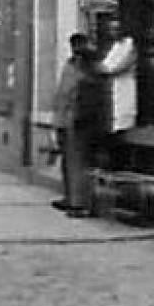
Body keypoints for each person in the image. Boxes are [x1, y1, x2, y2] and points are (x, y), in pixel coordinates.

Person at [51, 33, 98, 217]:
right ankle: (70, 197)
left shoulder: (87, 67)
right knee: (68, 161)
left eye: (78, 45)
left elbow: (79, 95)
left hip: (77, 120)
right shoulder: (72, 64)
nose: (75, 49)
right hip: (65, 119)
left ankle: (78, 203)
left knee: (77, 162)